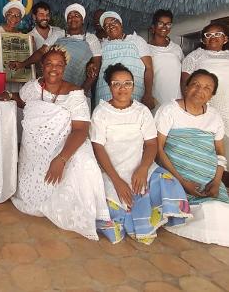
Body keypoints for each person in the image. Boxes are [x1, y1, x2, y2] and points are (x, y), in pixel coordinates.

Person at [7, 46, 110, 240]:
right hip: (35, 150)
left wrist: (61, 159)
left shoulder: (75, 93)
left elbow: (81, 130)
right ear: (41, 66)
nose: (53, 69)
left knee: (84, 164)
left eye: (59, 65)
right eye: (49, 64)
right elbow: (22, 101)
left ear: (65, 67)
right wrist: (7, 96)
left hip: (65, 145)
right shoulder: (32, 87)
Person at [91, 63, 191, 245]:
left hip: (139, 163)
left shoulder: (142, 111)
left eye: (127, 83)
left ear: (133, 86)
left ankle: (151, 215)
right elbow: (98, 148)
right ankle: (130, 218)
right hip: (111, 168)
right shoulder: (101, 112)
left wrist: (143, 168)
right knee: (113, 202)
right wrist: (117, 180)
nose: (123, 89)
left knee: (168, 181)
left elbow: (151, 144)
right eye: (116, 84)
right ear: (109, 86)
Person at [156, 69, 229, 246]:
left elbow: (220, 151)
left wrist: (217, 181)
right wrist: (182, 182)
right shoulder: (169, 110)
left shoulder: (215, 116)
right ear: (186, 87)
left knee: (219, 210)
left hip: (210, 183)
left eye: (207, 88)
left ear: (212, 95)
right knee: (208, 212)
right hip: (177, 181)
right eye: (195, 84)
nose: (200, 90)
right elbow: (158, 150)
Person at [10, 4, 101, 94]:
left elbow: (95, 68)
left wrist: (82, 92)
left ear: (82, 20)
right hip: (55, 89)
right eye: (70, 16)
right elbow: (42, 51)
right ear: (66, 20)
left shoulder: (91, 38)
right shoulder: (58, 34)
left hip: (80, 88)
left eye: (77, 15)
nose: (73, 18)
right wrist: (22, 64)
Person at [181, 23, 229, 156]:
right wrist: (188, 107)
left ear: (225, 39)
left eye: (218, 34)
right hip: (205, 107)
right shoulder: (195, 56)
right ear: (203, 40)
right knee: (207, 146)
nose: (213, 37)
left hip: (227, 105)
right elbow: (185, 82)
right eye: (209, 35)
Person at [96, 11, 154, 109]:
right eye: (106, 25)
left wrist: (148, 94)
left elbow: (149, 68)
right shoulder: (101, 45)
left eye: (114, 22)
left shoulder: (136, 40)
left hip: (133, 92)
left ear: (121, 23)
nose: (110, 26)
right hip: (106, 93)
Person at [148, 9, 184, 112]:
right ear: (153, 27)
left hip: (177, 98)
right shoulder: (146, 48)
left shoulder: (176, 48)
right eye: (160, 23)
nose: (164, 27)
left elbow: (183, 74)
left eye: (168, 24)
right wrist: (148, 95)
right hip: (156, 98)